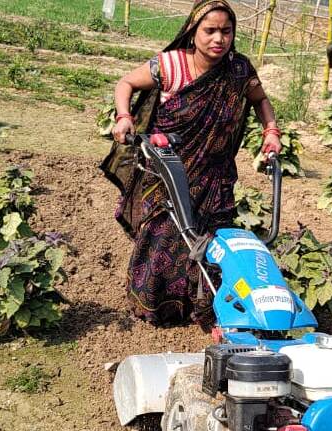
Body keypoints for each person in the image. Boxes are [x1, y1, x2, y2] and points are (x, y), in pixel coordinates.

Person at [101, 0, 281, 329]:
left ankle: (205, 308)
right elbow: (126, 83)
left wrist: (271, 131)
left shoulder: (239, 70)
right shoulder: (171, 65)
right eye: (210, 30)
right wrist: (124, 116)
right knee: (164, 234)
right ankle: (153, 307)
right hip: (167, 170)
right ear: (193, 31)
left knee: (213, 241)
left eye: (226, 31)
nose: (219, 38)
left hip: (215, 176)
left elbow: (260, 100)